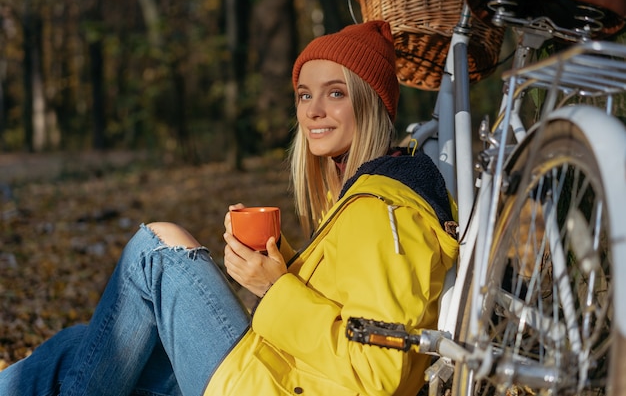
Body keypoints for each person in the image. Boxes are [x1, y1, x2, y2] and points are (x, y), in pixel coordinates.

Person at [0, 20, 458, 396]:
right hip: (276, 372)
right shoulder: (364, 199)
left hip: (273, 386)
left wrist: (276, 288)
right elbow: (346, 307)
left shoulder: (386, 210)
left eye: (335, 93)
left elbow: (380, 373)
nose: (313, 110)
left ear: (371, 102)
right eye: (304, 94)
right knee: (81, 346)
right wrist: (283, 262)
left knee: (156, 249)